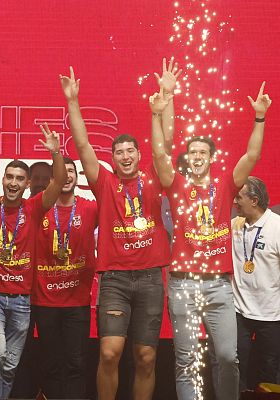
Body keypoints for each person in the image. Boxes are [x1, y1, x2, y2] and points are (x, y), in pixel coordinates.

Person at [149, 76, 271, 399]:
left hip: (219, 286)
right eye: (193, 152)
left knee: (229, 357)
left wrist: (259, 117)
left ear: (212, 157)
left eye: (204, 151)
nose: (198, 156)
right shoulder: (175, 186)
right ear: (188, 159)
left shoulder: (226, 185)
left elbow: (252, 155)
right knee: (186, 361)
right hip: (183, 284)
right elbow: (160, 157)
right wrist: (157, 113)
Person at [62, 64, 171, 400]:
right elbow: (82, 146)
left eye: (130, 152)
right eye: (118, 153)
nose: (125, 157)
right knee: (109, 352)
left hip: (151, 278)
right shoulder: (105, 182)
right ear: (113, 159)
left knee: (146, 357)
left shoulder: (153, 178)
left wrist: (166, 99)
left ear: (139, 155)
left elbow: (164, 143)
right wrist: (73, 102)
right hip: (115, 279)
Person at [0, 124, 65, 400]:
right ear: (2, 179)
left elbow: (58, 182)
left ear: (27, 185)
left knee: (10, 366)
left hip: (22, 300)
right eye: (9, 177)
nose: (13, 182)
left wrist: (56, 153)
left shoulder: (34, 208)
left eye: (19, 178)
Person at [31, 156, 98, 399]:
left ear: (77, 177)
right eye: (63, 172)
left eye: (72, 171)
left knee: (76, 364)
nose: (67, 176)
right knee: (50, 364)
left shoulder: (90, 208)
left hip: (77, 302)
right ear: (53, 178)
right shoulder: (39, 208)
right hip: (45, 301)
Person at [231, 177, 280, 391]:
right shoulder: (234, 225)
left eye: (239, 197)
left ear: (254, 200)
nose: (234, 201)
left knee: (269, 371)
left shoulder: (277, 227)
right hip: (239, 312)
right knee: (235, 366)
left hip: (271, 315)